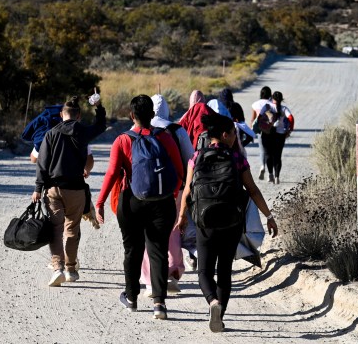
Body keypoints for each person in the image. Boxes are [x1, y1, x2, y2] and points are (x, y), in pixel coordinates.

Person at [175, 113, 278, 333]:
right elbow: (253, 190)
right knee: (224, 271)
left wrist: (183, 217)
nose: (235, 137)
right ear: (224, 134)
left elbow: (187, 190)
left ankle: (212, 302)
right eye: (233, 133)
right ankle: (219, 317)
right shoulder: (237, 158)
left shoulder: (196, 157)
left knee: (204, 270)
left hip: (205, 221)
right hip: (231, 221)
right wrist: (269, 217)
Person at [95, 95, 184, 320]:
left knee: (132, 250)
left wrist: (100, 202)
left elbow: (113, 172)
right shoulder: (165, 137)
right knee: (158, 250)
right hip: (162, 203)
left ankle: (132, 298)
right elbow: (179, 172)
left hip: (131, 201)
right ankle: (159, 304)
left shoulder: (123, 140)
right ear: (153, 115)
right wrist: (171, 195)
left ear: (131, 115)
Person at [31, 95, 106, 286]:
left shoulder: (50, 134)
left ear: (61, 114)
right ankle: (71, 269)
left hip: (53, 189)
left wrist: (38, 188)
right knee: (72, 229)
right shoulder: (82, 132)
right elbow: (100, 126)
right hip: (75, 189)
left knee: (55, 229)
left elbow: (43, 163)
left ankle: (58, 268)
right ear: (78, 116)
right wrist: (98, 106)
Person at [139, 94, 193, 296]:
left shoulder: (141, 129)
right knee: (172, 230)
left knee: (148, 233)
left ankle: (149, 278)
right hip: (175, 188)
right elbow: (190, 159)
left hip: (147, 189)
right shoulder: (177, 130)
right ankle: (172, 272)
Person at [262, 91, 294, 185]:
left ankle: (270, 174)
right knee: (277, 156)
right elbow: (291, 118)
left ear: (272, 98)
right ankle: (277, 177)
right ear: (281, 99)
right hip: (280, 135)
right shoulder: (284, 109)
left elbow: (260, 118)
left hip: (268, 134)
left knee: (268, 155)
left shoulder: (268, 107)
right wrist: (289, 130)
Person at [250, 86, 273, 181]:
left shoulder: (255, 104)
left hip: (260, 129)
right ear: (270, 94)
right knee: (270, 151)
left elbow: (253, 119)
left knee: (262, 150)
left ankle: (262, 166)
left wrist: (251, 132)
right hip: (270, 130)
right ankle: (271, 174)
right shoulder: (272, 104)